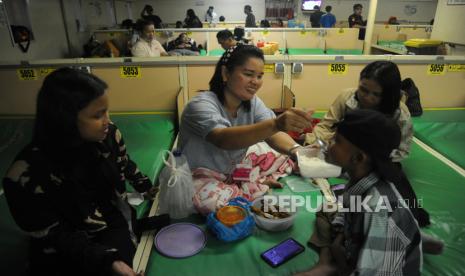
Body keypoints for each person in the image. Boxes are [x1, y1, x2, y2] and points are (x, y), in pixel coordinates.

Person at [2, 68, 160, 276]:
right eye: (97, 115)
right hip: (69, 248)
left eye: (107, 111)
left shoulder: (109, 135)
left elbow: (124, 162)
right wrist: (108, 261)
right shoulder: (24, 176)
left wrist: (146, 187)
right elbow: (56, 236)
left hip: (111, 223)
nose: (107, 121)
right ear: (65, 119)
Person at [179, 45, 312, 213]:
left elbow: (274, 134)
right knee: (215, 205)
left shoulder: (253, 103)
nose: (255, 82)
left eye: (260, 76)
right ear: (226, 74)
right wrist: (276, 123)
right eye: (248, 74)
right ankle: (240, 188)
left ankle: (239, 185)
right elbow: (224, 139)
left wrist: (298, 151)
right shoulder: (200, 105)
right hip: (199, 176)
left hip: (231, 170)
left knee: (282, 156)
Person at [305, 61, 431, 227]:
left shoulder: (401, 115)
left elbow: (400, 152)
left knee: (399, 207)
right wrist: (322, 143)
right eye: (363, 89)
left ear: (387, 95)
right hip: (349, 158)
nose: (367, 97)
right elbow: (324, 126)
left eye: (375, 94)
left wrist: (363, 162)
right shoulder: (346, 98)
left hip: (374, 163)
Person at [298, 109, 422, 275]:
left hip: (381, 268)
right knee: (326, 208)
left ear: (358, 158)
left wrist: (343, 260)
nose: (328, 142)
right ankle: (328, 261)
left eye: (336, 140)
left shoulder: (377, 209)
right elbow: (348, 210)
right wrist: (340, 236)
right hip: (358, 242)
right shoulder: (360, 175)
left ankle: (337, 266)